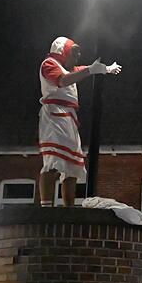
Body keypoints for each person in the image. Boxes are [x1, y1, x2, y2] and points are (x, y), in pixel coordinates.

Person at [37, 36, 121, 207]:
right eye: (74, 53)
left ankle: (68, 209)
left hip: (68, 117)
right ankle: (46, 208)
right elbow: (63, 80)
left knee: (71, 167)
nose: (78, 56)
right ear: (63, 52)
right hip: (54, 115)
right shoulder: (49, 64)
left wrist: (104, 69)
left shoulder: (67, 68)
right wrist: (91, 70)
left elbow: (78, 70)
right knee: (54, 161)